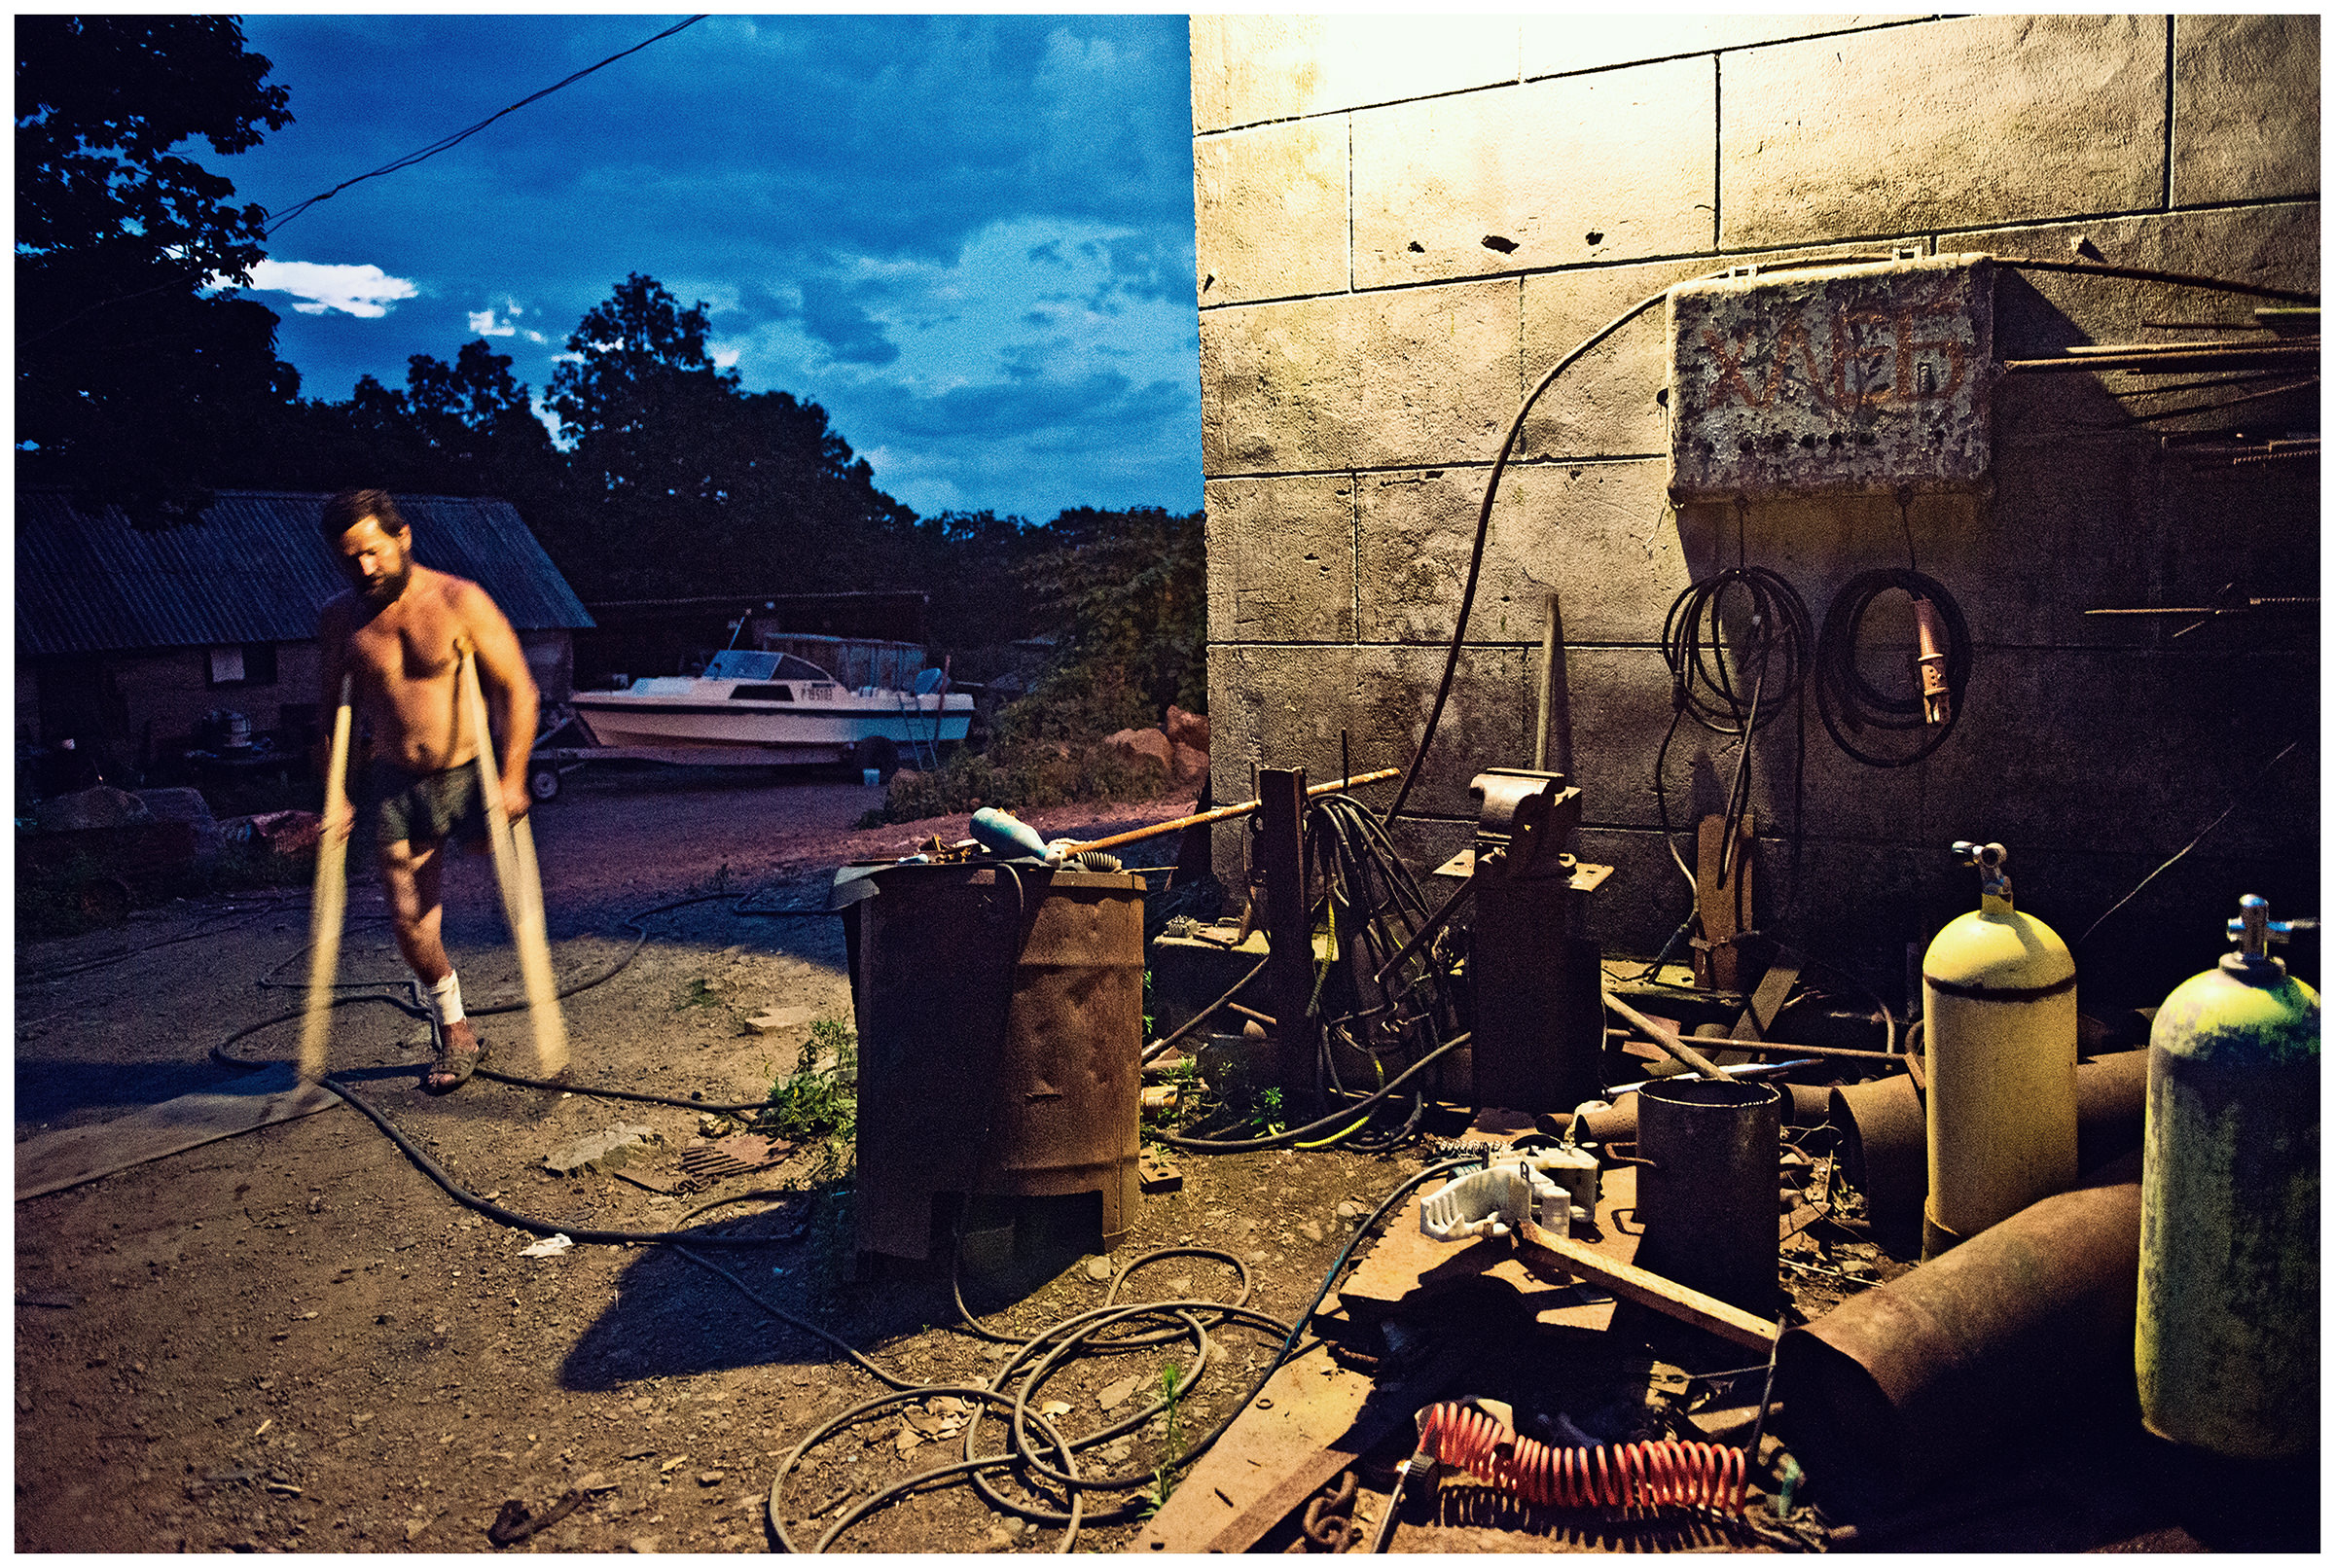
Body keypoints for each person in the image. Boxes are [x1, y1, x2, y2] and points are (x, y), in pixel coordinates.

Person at [315, 489, 539, 1092]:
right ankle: (455, 1026)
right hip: (397, 780)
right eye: (350, 559)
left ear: (403, 537)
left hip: (470, 772)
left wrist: (514, 778)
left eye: (374, 551)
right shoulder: (340, 619)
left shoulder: (460, 600)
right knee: (410, 917)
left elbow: (519, 690)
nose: (365, 567)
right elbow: (329, 714)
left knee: (501, 876)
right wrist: (336, 794)